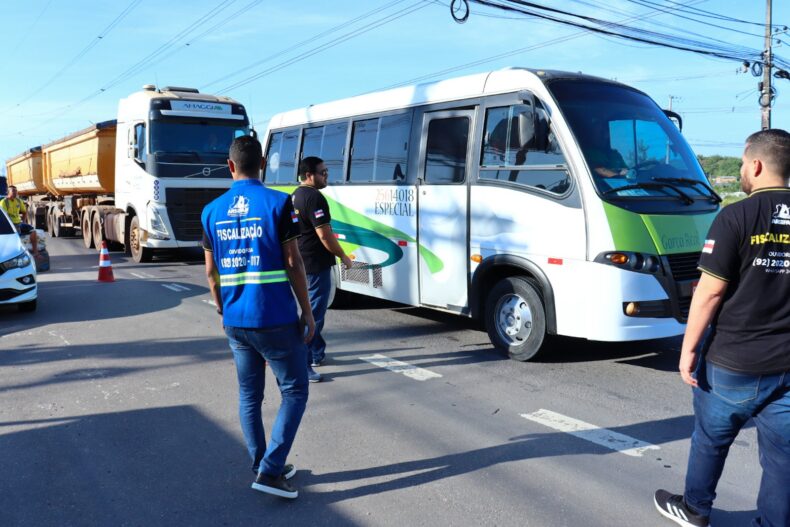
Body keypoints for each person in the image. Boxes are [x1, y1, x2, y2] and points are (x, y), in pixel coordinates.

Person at [654, 129, 790, 527]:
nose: (743, 170)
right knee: (783, 456)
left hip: (733, 363)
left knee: (711, 440)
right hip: (786, 364)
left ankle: (695, 509)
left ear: (757, 165)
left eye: (745, 163)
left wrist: (688, 350)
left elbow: (710, 294)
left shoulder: (735, 216)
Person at [201, 135, 315, 500]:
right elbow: (294, 262)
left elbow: (210, 272)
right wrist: (308, 312)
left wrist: (221, 307)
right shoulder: (280, 204)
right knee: (295, 389)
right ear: (262, 165)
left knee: (250, 395)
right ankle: (269, 470)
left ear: (230, 166)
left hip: (236, 319)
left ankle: (263, 464)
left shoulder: (210, 211)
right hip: (275, 317)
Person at [291, 156, 353, 382]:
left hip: (302, 262)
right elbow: (324, 236)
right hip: (316, 265)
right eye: (323, 173)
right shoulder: (315, 198)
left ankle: (316, 353)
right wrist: (343, 255)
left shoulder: (295, 195)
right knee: (313, 315)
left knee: (311, 311)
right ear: (309, 175)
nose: (327, 176)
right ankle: (303, 364)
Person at [1, 185, 39, 255]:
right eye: (13, 191)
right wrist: (11, 225)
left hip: (19, 223)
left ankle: (36, 253)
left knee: (33, 231)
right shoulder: (4, 202)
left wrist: (24, 221)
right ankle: (18, 254)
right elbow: (5, 217)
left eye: (16, 191)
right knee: (17, 238)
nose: (15, 193)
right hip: (10, 225)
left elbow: (24, 212)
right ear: (8, 192)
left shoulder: (18, 201)